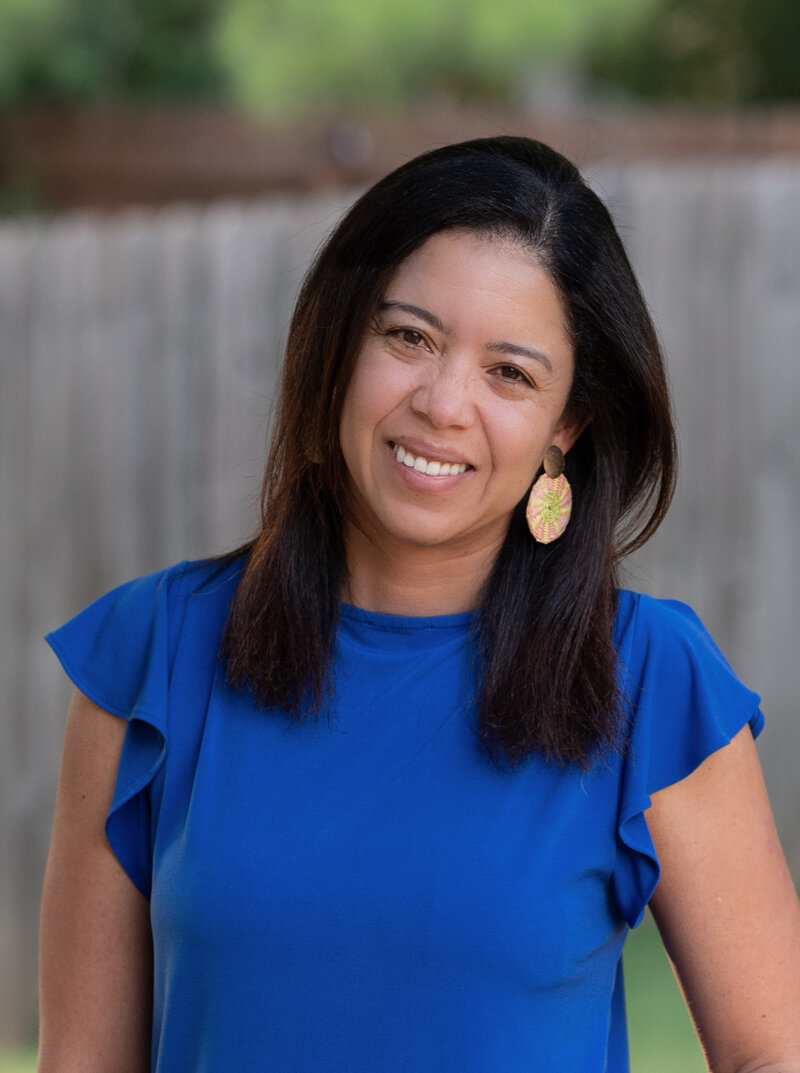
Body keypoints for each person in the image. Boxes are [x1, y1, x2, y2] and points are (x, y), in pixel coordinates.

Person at [38, 137, 800, 1072]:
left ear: (567, 426)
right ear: (338, 344)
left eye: (510, 373)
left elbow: (773, 1050)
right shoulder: (150, 654)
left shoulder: (652, 677)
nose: (443, 403)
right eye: (409, 337)